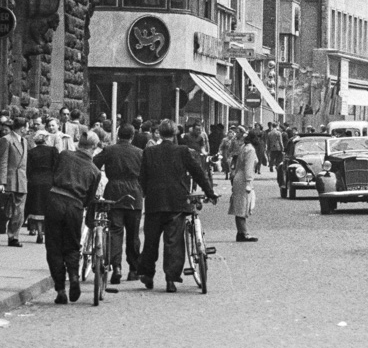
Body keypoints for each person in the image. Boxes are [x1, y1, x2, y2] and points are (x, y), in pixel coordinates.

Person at [137, 120, 218, 292]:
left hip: (155, 201)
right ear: (175, 133)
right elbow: (198, 172)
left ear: (160, 133)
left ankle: (147, 274)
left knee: (151, 241)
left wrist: (144, 193)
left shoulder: (149, 152)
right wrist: (209, 192)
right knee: (174, 241)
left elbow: (142, 177)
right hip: (177, 201)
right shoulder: (182, 151)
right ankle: (171, 279)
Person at [44, 131, 102, 304]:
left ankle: (60, 290)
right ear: (94, 147)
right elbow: (89, 199)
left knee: (54, 247)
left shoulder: (64, 155)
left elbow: (53, 173)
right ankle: (74, 277)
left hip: (55, 200)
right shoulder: (95, 171)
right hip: (75, 205)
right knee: (72, 245)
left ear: (79, 144)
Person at [95, 123, 143, 284]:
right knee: (133, 234)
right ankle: (134, 269)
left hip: (113, 192)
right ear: (132, 136)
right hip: (134, 193)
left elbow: (94, 164)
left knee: (115, 231)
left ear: (118, 135)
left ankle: (116, 267)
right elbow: (146, 173)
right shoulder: (139, 152)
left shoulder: (109, 150)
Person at [0, 115, 29, 246]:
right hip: (9, 179)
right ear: (22, 128)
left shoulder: (24, 141)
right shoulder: (6, 140)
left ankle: (13, 237)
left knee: (19, 211)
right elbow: (2, 162)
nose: (28, 130)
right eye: (27, 127)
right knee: (6, 211)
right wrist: (1, 182)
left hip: (22, 180)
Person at [26, 129, 58, 244]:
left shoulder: (31, 152)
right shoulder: (53, 151)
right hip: (49, 181)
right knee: (49, 208)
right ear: (46, 139)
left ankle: (39, 232)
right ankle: (47, 232)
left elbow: (28, 169)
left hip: (35, 181)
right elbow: (56, 166)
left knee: (37, 208)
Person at [230, 130, 259, 242]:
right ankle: (244, 233)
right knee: (243, 206)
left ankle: (240, 232)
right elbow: (248, 168)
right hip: (244, 179)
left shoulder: (243, 147)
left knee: (239, 206)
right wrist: (248, 182)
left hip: (238, 177)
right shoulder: (250, 150)